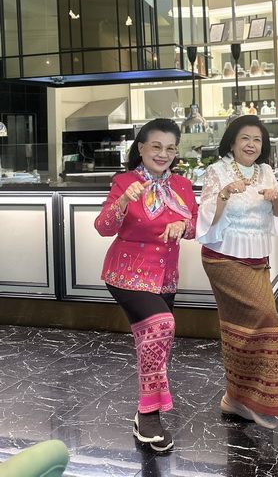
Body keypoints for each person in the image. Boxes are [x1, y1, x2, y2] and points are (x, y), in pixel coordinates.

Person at [94, 118, 198, 452]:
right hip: (127, 273)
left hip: (165, 276)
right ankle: (149, 414)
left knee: (157, 342)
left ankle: (145, 415)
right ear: (141, 148)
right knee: (161, 325)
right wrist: (123, 200)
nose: (163, 154)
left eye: (170, 148)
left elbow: (196, 225)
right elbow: (103, 227)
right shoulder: (124, 182)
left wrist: (183, 225)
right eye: (156, 146)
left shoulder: (182, 186)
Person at [196, 115, 278, 429]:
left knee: (240, 327)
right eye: (245, 138)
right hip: (223, 258)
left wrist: (276, 200)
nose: (251, 145)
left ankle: (235, 398)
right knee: (266, 317)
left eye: (257, 140)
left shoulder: (266, 172)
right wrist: (224, 193)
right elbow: (206, 217)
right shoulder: (217, 170)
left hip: (257, 259)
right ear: (233, 142)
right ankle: (258, 398)